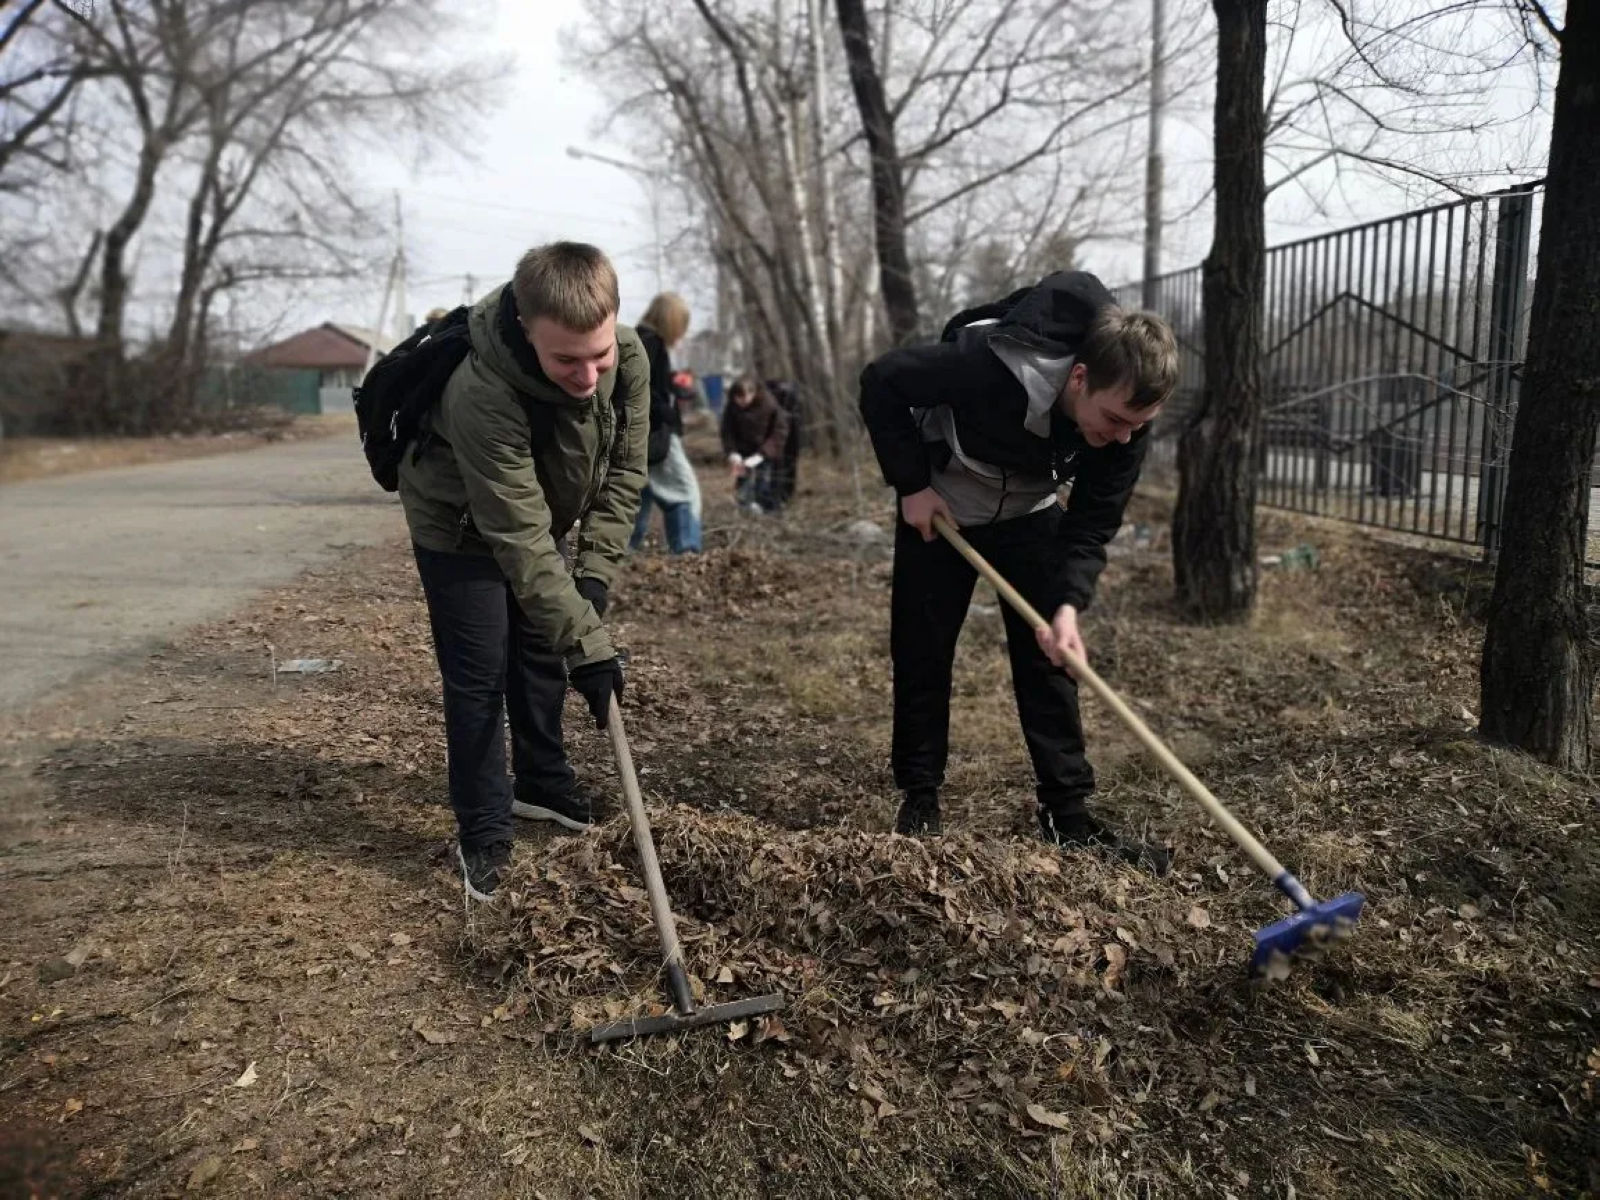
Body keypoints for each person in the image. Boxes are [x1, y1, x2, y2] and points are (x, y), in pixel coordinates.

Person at [858, 270, 1178, 871]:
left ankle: (1067, 815)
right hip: (945, 508)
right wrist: (912, 485)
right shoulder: (985, 366)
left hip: (1030, 511)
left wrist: (1068, 605)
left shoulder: (1128, 417)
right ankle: (920, 799)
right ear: (1078, 378)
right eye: (1114, 420)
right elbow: (882, 380)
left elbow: (1091, 524)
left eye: (1137, 426)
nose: (1123, 438)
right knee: (923, 650)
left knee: (1051, 658)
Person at [397, 242, 649, 901]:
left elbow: (625, 473)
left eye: (599, 354)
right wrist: (590, 645)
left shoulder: (630, 358)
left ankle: (542, 783)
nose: (588, 376)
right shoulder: (480, 390)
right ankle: (484, 830)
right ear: (525, 327)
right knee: (480, 674)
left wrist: (591, 580)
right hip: (459, 525)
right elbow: (516, 535)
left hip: (542, 516)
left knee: (540, 650)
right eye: (566, 360)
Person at [629, 292, 703, 554]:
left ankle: (620, 551)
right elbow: (639, 389)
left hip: (640, 434)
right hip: (657, 432)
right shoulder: (652, 343)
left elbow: (647, 383)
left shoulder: (638, 340)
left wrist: (674, 386)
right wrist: (668, 413)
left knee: (640, 492)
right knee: (684, 492)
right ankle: (686, 551)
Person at [720, 375, 790, 513]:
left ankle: (767, 509)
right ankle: (745, 507)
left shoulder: (769, 404)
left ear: (753, 393)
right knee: (743, 482)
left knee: (763, 481)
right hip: (742, 452)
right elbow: (727, 431)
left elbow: (780, 431)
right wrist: (732, 452)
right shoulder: (732, 407)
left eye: (745, 398)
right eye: (738, 398)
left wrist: (762, 454)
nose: (742, 402)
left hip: (764, 451)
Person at [764, 378, 804, 506]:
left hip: (785, 434)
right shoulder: (790, 397)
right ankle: (781, 495)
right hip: (784, 434)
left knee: (782, 463)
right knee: (783, 463)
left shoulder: (783, 398)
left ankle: (781, 495)